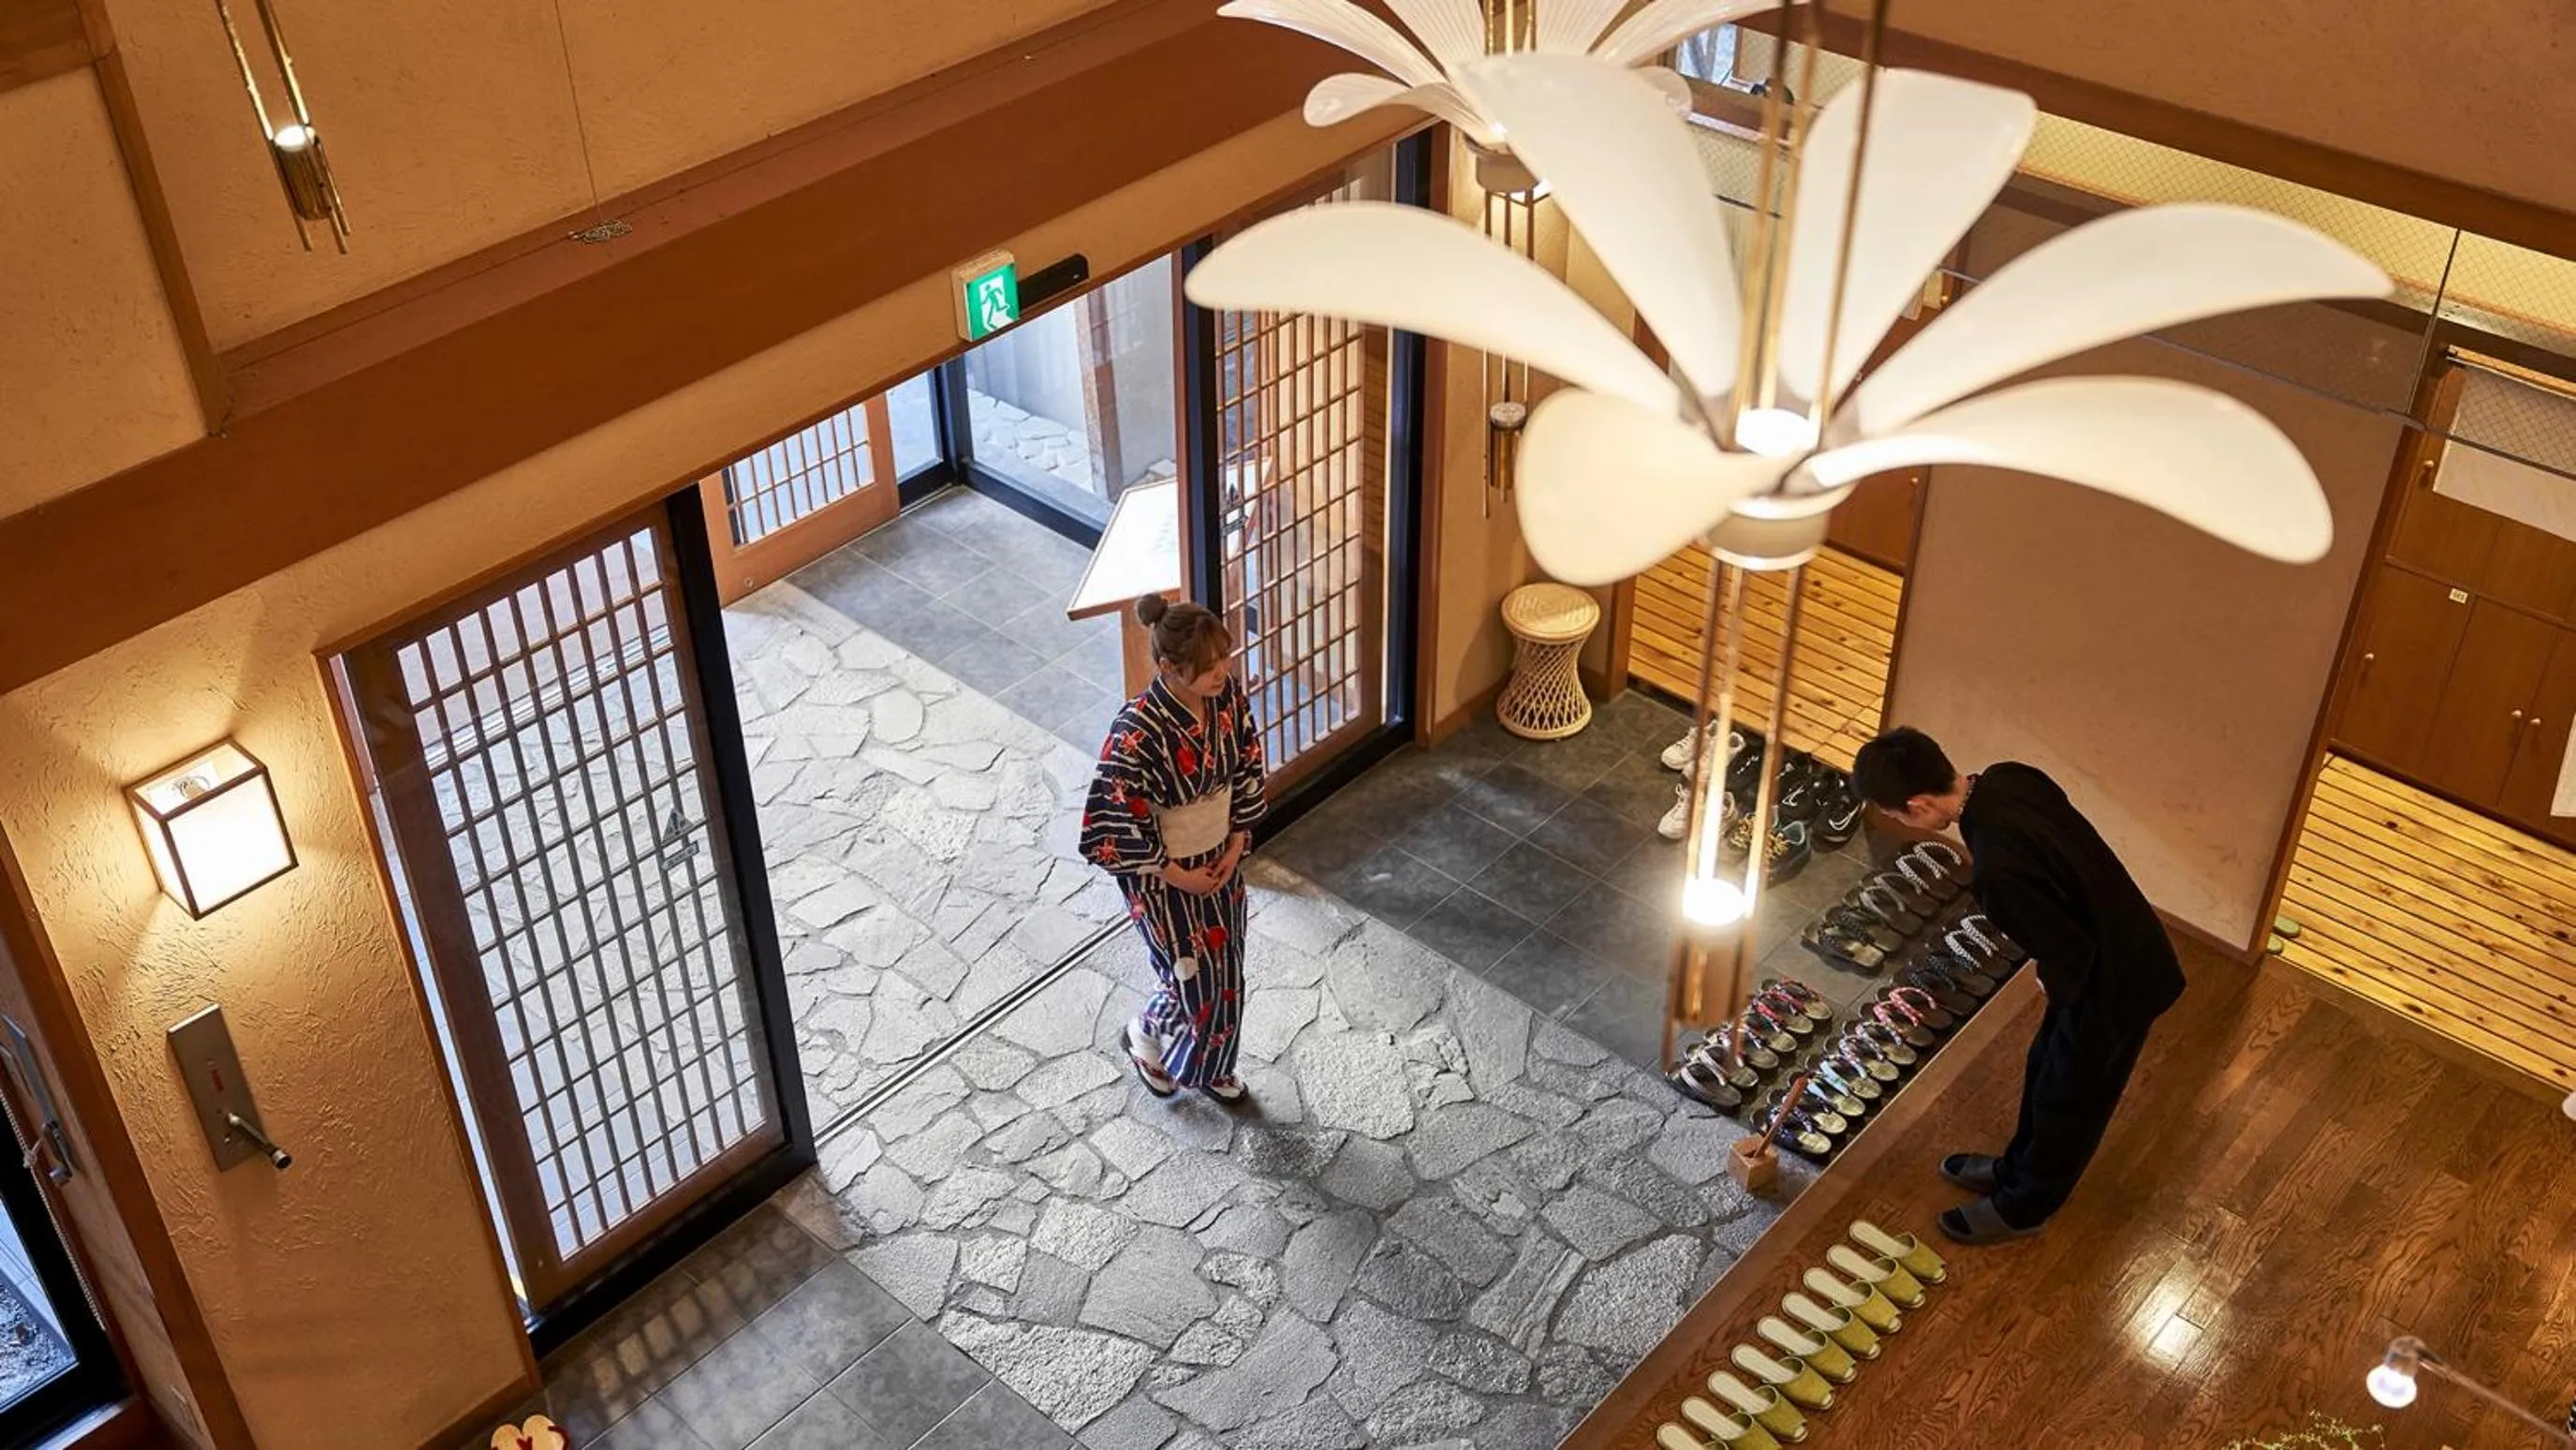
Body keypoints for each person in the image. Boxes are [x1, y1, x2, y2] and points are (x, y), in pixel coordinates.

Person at [1849, 727, 2186, 1245]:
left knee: (2071, 1097)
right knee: (2043, 1068)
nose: (1902, 824)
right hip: (2121, 937)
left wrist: (2055, 984)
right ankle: (2014, 1169)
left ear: (1916, 805)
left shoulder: (1997, 872)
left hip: (2117, 981)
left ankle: (2026, 1206)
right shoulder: (2010, 778)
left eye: (1896, 816)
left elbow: (2065, 951)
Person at [1080, 596, 1269, 1102]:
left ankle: (1208, 1065)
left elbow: (1247, 768)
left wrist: (1235, 843)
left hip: (1220, 857)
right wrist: (1174, 872)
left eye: (1224, 660)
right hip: (1162, 875)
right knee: (1188, 973)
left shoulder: (1227, 701)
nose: (1222, 674)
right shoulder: (1136, 732)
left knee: (1226, 968)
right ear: (1168, 667)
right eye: (1208, 668)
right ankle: (1147, 1032)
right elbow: (1114, 820)